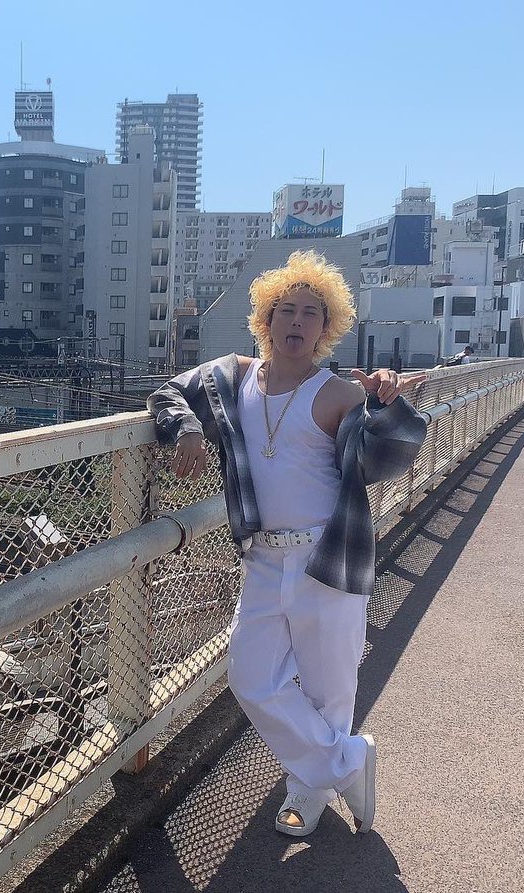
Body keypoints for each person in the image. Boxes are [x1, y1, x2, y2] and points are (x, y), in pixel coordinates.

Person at [148, 251, 427, 838]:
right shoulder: (231, 377)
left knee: (329, 689)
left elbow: (389, 459)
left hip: (327, 556)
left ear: (326, 327)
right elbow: (167, 394)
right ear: (266, 318)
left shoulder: (338, 393)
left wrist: (386, 404)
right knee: (250, 677)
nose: (297, 322)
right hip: (263, 557)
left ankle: (310, 789)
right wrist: (189, 429)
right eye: (286, 310)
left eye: (310, 314)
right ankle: (349, 761)